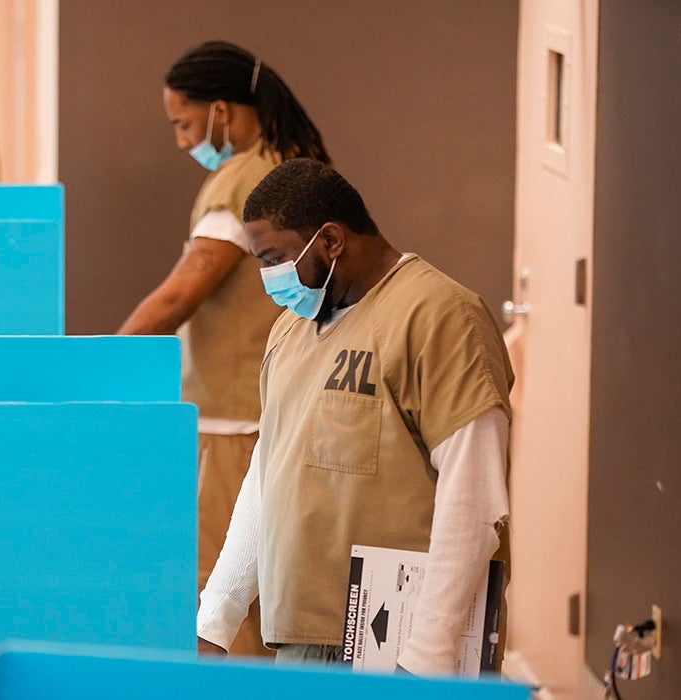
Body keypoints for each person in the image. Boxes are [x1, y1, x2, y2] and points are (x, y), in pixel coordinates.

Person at [196, 158, 513, 675]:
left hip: (403, 644)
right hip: (305, 640)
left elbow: (474, 496)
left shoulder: (439, 316)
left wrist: (428, 655)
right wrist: (215, 618)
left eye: (274, 257)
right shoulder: (291, 332)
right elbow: (266, 479)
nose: (267, 278)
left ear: (331, 240)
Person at [117, 41, 330, 657]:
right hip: (273, 409)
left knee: (224, 600)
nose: (183, 141)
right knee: (265, 592)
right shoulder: (291, 161)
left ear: (222, 110)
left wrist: (101, 366)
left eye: (184, 123)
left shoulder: (240, 178)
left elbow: (181, 293)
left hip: (234, 423)